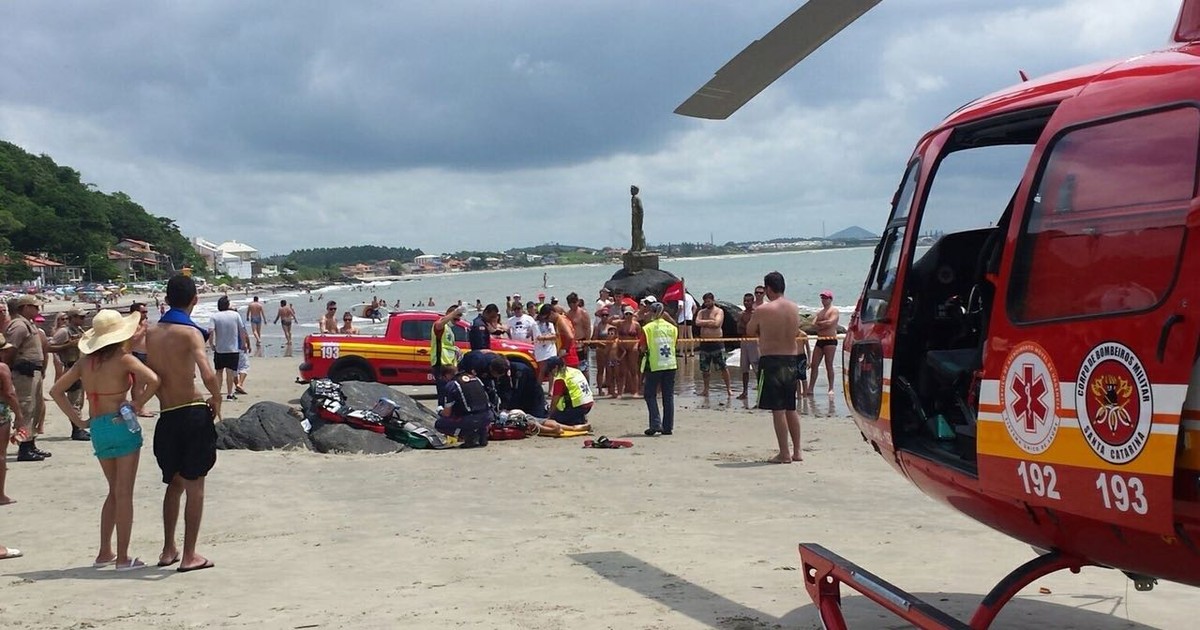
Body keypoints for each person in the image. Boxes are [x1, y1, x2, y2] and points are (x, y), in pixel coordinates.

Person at [50, 308, 160, 571]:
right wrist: (137, 404)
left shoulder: (84, 363)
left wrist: (79, 422)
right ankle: (122, 558)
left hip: (98, 428)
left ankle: (105, 551)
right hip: (121, 425)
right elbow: (154, 380)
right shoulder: (124, 359)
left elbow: (56, 391)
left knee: (113, 491)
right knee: (124, 494)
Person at [145, 274, 222, 573]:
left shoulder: (149, 333)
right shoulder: (190, 333)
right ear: (195, 300)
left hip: (167, 414)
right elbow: (207, 373)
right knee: (195, 485)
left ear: (166, 299)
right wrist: (217, 398)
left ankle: (168, 549)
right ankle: (189, 554)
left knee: (173, 483)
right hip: (191, 410)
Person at [747, 271, 802, 464]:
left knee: (778, 409)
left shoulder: (764, 310)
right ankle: (797, 451)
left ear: (768, 288)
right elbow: (796, 330)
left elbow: (749, 330)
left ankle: (784, 453)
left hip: (772, 359)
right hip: (791, 359)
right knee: (791, 407)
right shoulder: (794, 308)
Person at [6, 295, 49, 461]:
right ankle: (24, 447)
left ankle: (30, 443)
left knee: (35, 408)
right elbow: (10, 350)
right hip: (24, 372)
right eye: (35, 307)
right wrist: (10, 370)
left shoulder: (27, 323)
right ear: (24, 307)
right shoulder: (18, 325)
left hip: (33, 372)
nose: (38, 310)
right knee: (26, 408)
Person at [48, 308, 91, 438]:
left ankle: (78, 428)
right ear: (72, 318)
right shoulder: (64, 332)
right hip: (71, 367)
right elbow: (49, 347)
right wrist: (68, 345)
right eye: (80, 317)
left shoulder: (78, 330)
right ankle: (77, 429)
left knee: (79, 399)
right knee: (74, 399)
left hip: (80, 367)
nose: (83, 320)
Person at [640, 302, 677, 435]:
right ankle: (668, 427)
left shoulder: (647, 328)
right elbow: (674, 343)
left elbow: (642, 347)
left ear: (652, 312)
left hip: (655, 365)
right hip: (671, 364)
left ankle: (655, 423)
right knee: (668, 396)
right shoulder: (672, 328)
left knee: (649, 394)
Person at [435, 364, 492, 448]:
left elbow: (447, 413)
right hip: (488, 417)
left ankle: (469, 435)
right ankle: (482, 434)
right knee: (477, 412)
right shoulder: (475, 379)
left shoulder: (452, 385)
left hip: (472, 419)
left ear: (447, 375)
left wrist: (440, 411)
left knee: (440, 424)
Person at [0, 334, 26, 506]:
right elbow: (9, 393)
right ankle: (0, 495)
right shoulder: (2, 368)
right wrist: (19, 415)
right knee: (1, 455)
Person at [210, 296, 248, 401]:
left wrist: (211, 343)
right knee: (230, 372)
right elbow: (242, 330)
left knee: (218, 372)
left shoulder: (214, 316)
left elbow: (211, 331)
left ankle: (217, 394)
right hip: (232, 349)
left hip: (220, 349)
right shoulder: (235, 315)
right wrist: (244, 344)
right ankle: (230, 394)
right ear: (227, 305)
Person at [695, 292, 732, 397]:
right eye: (705, 301)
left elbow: (717, 324)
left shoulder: (719, 311)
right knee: (705, 369)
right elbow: (697, 322)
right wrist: (709, 321)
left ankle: (728, 389)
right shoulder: (702, 311)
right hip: (704, 343)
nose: (707, 303)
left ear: (713, 300)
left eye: (708, 301)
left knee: (723, 367)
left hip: (717, 342)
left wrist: (705, 322)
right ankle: (706, 390)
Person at [544, 356, 594, 428]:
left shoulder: (560, 378)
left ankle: (579, 424)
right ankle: (580, 418)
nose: (550, 373)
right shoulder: (575, 371)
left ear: (556, 367)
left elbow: (554, 401)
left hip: (578, 406)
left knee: (556, 419)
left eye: (550, 370)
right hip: (588, 404)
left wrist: (550, 416)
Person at [431, 304, 466, 406]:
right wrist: (455, 312)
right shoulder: (440, 325)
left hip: (449, 365)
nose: (456, 322)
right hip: (441, 364)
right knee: (444, 394)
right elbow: (439, 325)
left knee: (450, 392)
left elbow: (446, 345)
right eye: (455, 319)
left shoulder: (449, 330)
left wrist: (455, 350)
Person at [808, 290, 841, 396]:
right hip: (820, 339)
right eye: (822, 298)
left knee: (828, 364)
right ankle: (810, 388)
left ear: (830, 299)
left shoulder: (834, 310)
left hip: (830, 339)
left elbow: (830, 322)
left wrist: (820, 324)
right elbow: (813, 324)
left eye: (825, 298)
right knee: (814, 364)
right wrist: (822, 324)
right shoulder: (820, 312)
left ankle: (831, 388)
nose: (823, 300)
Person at [737, 292, 759, 400]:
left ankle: (761, 390)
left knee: (757, 367)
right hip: (744, 341)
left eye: (748, 301)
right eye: (745, 301)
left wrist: (747, 327)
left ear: (753, 302)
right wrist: (746, 326)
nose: (746, 303)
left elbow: (758, 328)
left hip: (754, 341)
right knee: (744, 367)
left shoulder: (756, 314)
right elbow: (739, 329)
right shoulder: (741, 314)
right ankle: (745, 391)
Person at [615, 306, 642, 398]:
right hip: (622, 348)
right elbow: (608, 322)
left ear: (633, 314)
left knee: (633, 370)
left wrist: (636, 346)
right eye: (626, 314)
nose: (628, 316)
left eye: (630, 314)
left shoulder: (636, 325)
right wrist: (613, 317)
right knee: (621, 372)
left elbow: (640, 338)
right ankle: (619, 392)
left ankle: (635, 391)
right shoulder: (620, 323)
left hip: (632, 348)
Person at [565, 293, 591, 378]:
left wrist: (587, 343)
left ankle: (586, 386)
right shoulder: (567, 314)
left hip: (582, 341)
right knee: (572, 366)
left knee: (584, 367)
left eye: (574, 302)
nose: (572, 305)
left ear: (577, 302)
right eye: (570, 303)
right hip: (572, 343)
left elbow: (587, 328)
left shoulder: (583, 313)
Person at [532, 306, 559, 382]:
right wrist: (548, 337)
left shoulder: (550, 323)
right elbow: (539, 337)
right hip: (541, 349)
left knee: (552, 370)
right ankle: (538, 389)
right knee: (542, 370)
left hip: (551, 348)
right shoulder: (535, 324)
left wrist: (545, 337)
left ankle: (551, 390)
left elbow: (555, 336)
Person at [675, 281, 697, 356]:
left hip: (682, 317)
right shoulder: (690, 297)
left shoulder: (681, 297)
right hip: (689, 317)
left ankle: (681, 352)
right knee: (690, 334)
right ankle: (692, 351)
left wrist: (677, 314)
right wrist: (692, 314)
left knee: (681, 335)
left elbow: (680, 307)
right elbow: (695, 307)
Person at [630, 184, 646, 251]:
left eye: (632, 189)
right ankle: (635, 247)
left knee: (639, 232)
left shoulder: (637, 199)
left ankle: (642, 247)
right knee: (633, 233)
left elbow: (641, 210)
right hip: (634, 218)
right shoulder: (632, 199)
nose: (630, 191)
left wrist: (640, 220)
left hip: (638, 218)